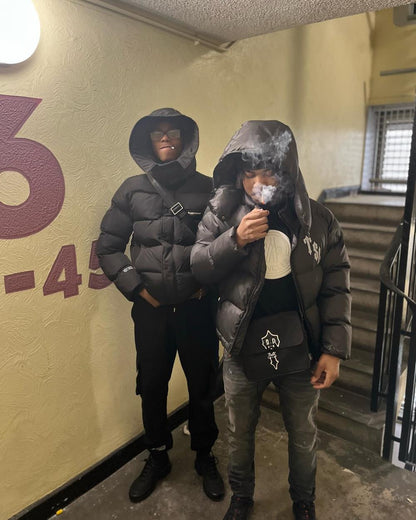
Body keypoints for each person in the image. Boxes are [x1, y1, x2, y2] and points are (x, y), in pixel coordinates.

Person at [191, 120, 351, 520]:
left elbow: (336, 284)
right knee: (239, 432)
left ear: (287, 170)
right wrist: (235, 239)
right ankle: (241, 498)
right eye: (249, 173)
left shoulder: (319, 219)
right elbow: (198, 266)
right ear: (237, 173)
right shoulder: (222, 211)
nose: (258, 183)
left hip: (302, 348)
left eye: (268, 172)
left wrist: (333, 350)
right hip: (242, 344)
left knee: (303, 433)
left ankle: (304, 502)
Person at [96, 108, 224, 504]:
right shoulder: (131, 189)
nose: (165, 138)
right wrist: (137, 289)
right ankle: (157, 455)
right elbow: (108, 247)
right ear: (147, 142)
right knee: (151, 385)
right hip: (150, 312)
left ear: (186, 139)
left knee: (202, 385)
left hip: (196, 309)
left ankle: (204, 454)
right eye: (157, 134)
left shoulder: (209, 188)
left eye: (173, 132)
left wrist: (207, 285)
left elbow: (224, 245)